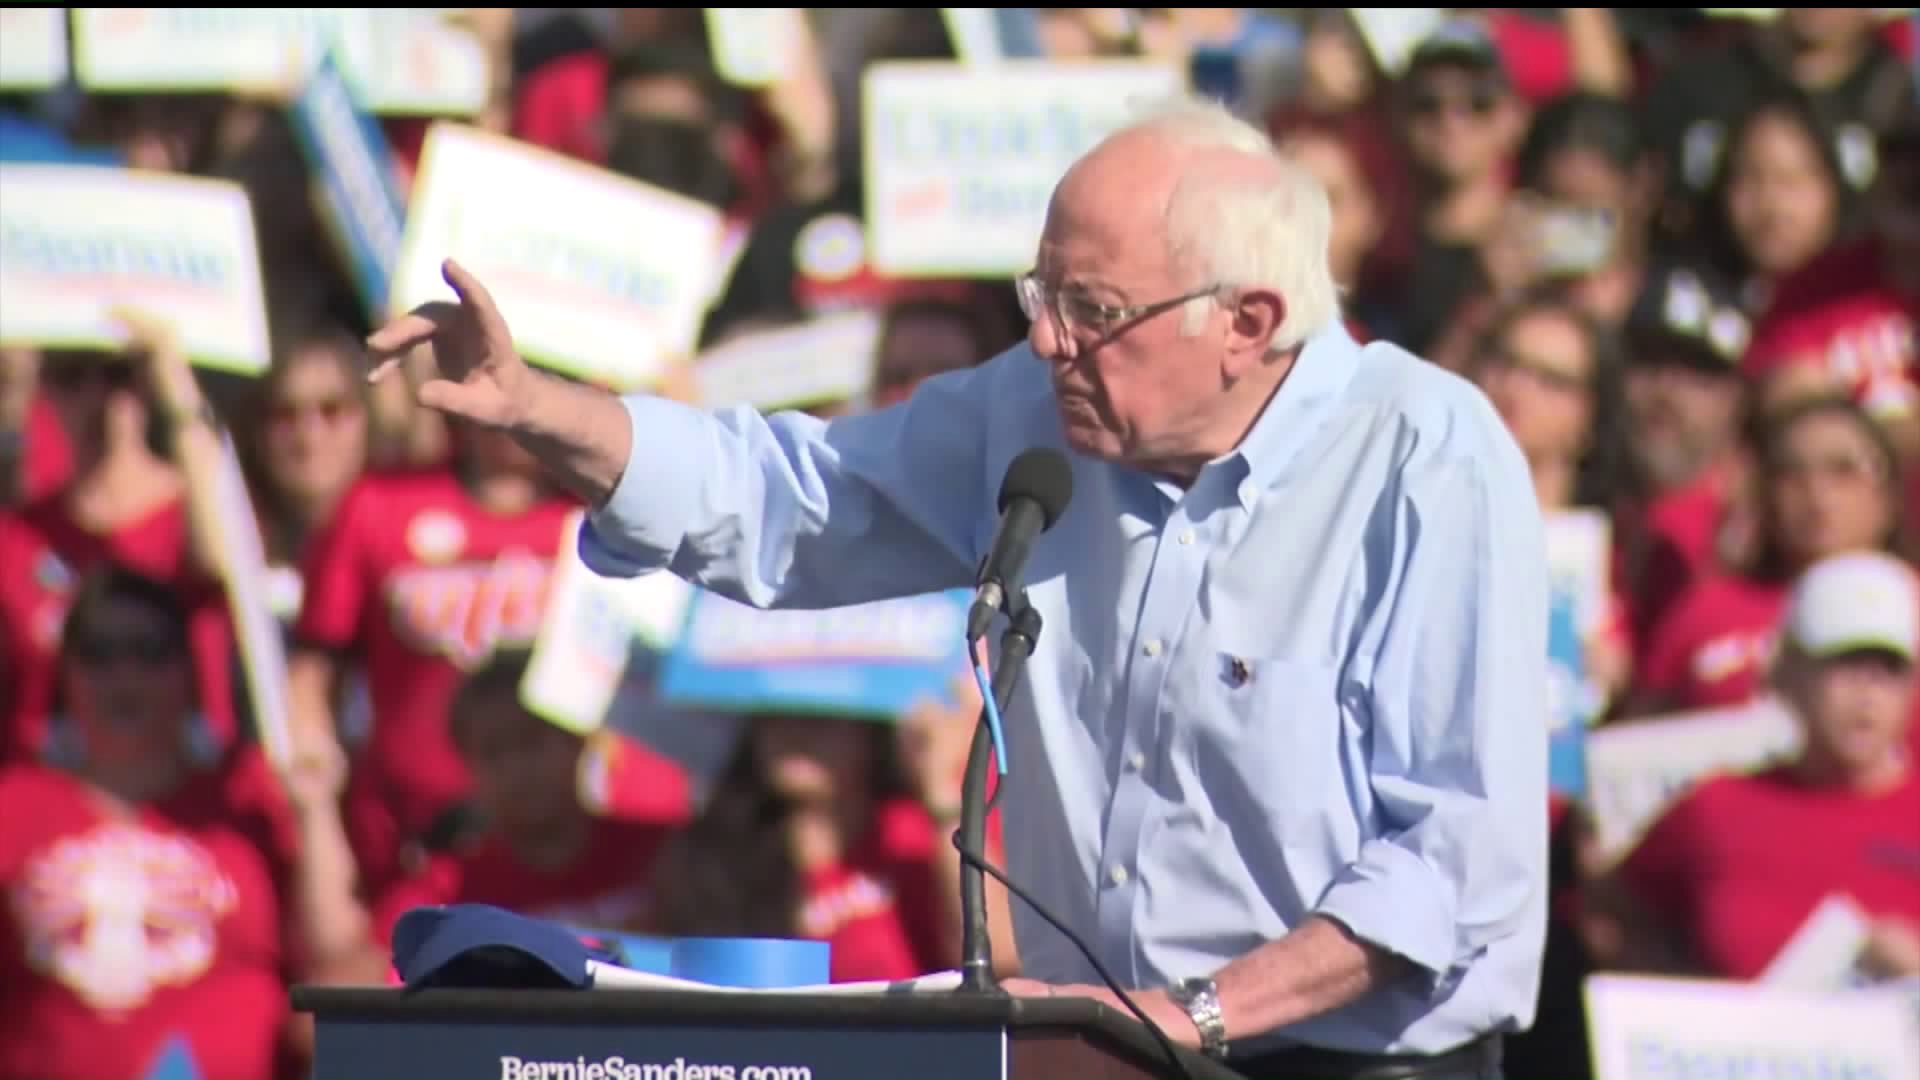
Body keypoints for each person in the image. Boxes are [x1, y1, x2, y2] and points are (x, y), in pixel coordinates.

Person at [368, 96, 1549, 1079]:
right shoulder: (1034, 419)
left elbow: (1452, 862)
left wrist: (1193, 1014)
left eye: (1092, 312)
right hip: (1092, 1052)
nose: (1047, 344)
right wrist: (540, 409)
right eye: (1042, 298)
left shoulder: (1426, 458)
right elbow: (796, 498)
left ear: (1248, 322)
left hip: (1341, 1059)